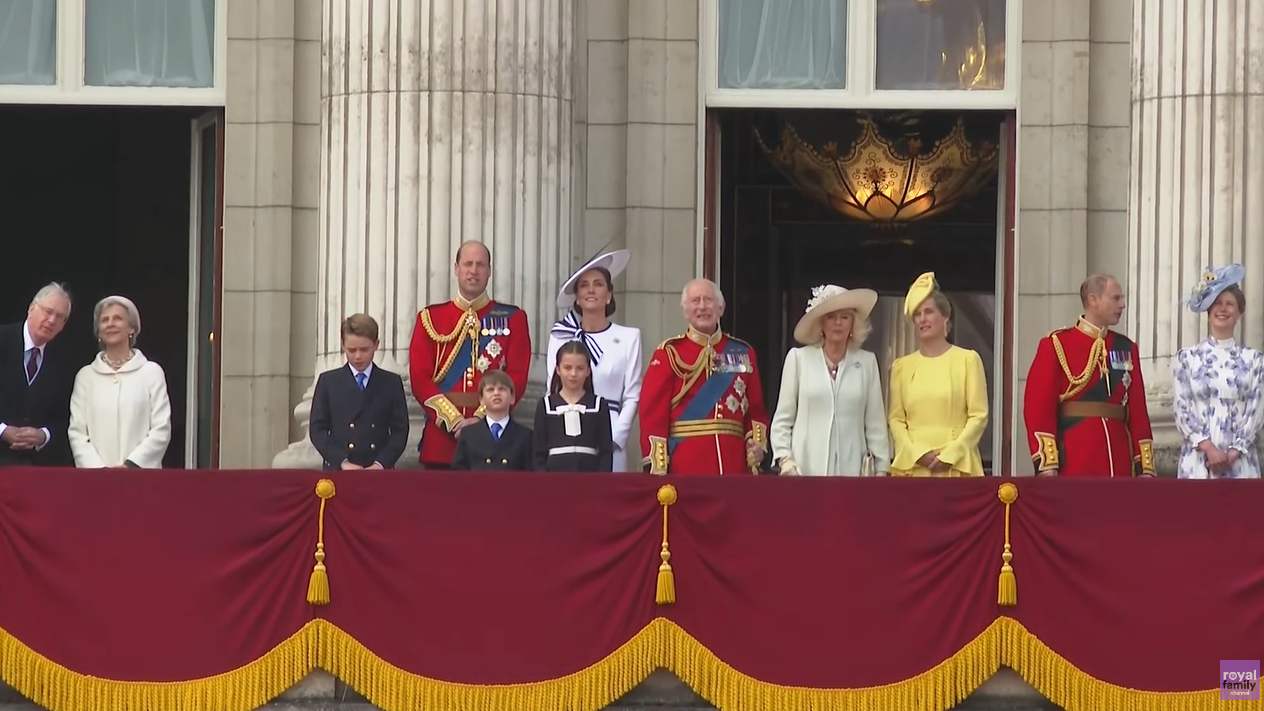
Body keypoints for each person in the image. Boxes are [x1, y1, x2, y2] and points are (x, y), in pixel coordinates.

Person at [409, 241, 532, 469]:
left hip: (493, 444)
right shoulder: (430, 318)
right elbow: (419, 378)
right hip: (442, 442)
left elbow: (517, 376)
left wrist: (480, 420)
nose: (473, 271)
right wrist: (453, 421)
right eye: (467, 264)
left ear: (489, 271)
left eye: (480, 265)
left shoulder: (513, 318)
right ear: (456, 268)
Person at [1023, 274, 1155, 477]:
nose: (1122, 304)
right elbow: (1038, 408)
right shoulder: (1057, 344)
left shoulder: (1126, 347)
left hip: (1119, 460)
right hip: (1076, 458)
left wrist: (1144, 466)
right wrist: (1047, 464)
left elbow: (1138, 411)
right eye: (1116, 298)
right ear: (1093, 300)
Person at [638, 278, 770, 475]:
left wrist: (757, 445)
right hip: (686, 463)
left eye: (708, 300)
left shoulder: (743, 352)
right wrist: (658, 464)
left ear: (721, 308)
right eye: (695, 301)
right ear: (685, 311)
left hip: (733, 463)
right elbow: (653, 414)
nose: (702, 306)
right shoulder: (669, 353)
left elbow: (756, 409)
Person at [771, 284, 890, 476]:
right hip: (804, 472)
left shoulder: (866, 362)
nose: (838, 323)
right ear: (821, 324)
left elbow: (875, 422)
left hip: (852, 474)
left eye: (845, 317)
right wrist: (785, 459)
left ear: (853, 324)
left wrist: (881, 470)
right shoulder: (798, 359)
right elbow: (783, 419)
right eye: (831, 317)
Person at [547, 249, 642, 471]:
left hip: (610, 431)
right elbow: (551, 389)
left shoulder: (629, 337)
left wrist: (616, 437)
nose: (591, 289)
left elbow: (632, 394)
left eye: (598, 284)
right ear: (577, 298)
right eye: (584, 285)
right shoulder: (560, 336)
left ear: (609, 295)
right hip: (567, 430)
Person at [888, 272, 989, 477]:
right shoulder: (901, 367)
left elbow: (978, 415)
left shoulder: (967, 360)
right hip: (914, 468)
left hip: (957, 465)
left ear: (945, 316)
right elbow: (896, 419)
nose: (922, 319)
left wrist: (951, 454)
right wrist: (917, 453)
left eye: (929, 312)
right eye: (917, 314)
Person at [1173, 264, 1263, 479]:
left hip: (1240, 463)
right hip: (1198, 462)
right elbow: (1182, 408)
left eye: (1230, 304)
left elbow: (1256, 409)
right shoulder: (1187, 358)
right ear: (1208, 311)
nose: (1223, 309)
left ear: (1239, 312)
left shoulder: (1255, 360)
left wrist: (1234, 451)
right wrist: (1208, 448)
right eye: (1217, 303)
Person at [67, 296, 172, 468]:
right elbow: (77, 432)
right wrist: (100, 471)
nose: (110, 324)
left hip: (141, 479)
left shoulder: (151, 373)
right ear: (99, 332)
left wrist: (131, 466)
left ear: (132, 328)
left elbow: (161, 428)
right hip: (97, 482)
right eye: (104, 320)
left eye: (117, 318)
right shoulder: (85, 377)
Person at [309, 314, 410, 470]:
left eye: (364, 349)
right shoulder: (328, 382)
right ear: (343, 345)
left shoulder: (390, 382)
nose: (357, 356)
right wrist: (342, 462)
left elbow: (400, 430)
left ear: (376, 345)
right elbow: (317, 430)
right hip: (340, 470)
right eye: (351, 350)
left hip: (378, 471)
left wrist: (381, 464)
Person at [0, 283, 75, 467]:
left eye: (59, 317)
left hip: (36, 469)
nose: (51, 320)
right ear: (31, 309)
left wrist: (44, 435)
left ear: (63, 325)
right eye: (47, 311)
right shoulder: (3, 340)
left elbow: (65, 417)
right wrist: (2, 430)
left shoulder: (64, 361)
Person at [535, 341, 615, 472]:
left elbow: (606, 451)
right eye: (567, 368)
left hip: (590, 477)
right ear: (558, 370)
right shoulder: (545, 405)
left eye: (580, 368)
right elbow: (538, 452)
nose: (573, 374)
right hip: (554, 478)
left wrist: (602, 481)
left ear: (588, 371)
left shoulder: (599, 405)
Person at [451, 370, 533, 471]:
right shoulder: (468, 434)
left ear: (512, 398)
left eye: (502, 389)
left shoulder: (525, 435)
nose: (496, 393)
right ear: (481, 400)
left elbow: (530, 476)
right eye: (490, 389)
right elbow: (459, 474)